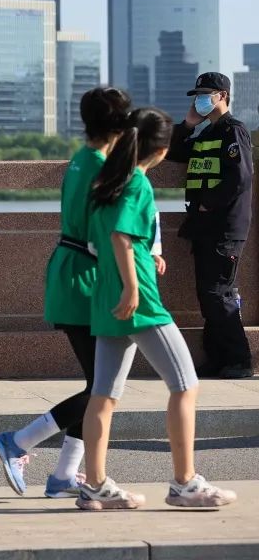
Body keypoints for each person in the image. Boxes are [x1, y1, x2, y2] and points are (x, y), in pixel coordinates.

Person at [77, 107, 237, 511]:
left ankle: (94, 485)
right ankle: (185, 483)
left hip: (105, 297)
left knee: (103, 395)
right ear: (162, 150)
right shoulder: (137, 183)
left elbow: (99, 241)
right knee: (185, 385)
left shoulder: (105, 182)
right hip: (140, 301)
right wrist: (133, 288)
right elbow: (121, 237)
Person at [0, 88, 132, 498]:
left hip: (71, 273)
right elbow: (105, 234)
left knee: (98, 385)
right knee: (102, 389)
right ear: (118, 125)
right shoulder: (103, 167)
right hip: (85, 279)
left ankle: (64, 475)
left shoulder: (81, 159)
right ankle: (19, 441)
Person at [166, 72, 254, 379]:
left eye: (206, 94)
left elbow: (240, 178)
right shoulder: (206, 133)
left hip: (224, 228)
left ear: (223, 96)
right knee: (208, 295)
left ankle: (240, 360)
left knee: (220, 294)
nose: (200, 100)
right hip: (204, 227)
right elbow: (173, 151)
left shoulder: (234, 131)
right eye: (197, 96)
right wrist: (188, 124)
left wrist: (208, 202)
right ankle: (218, 358)